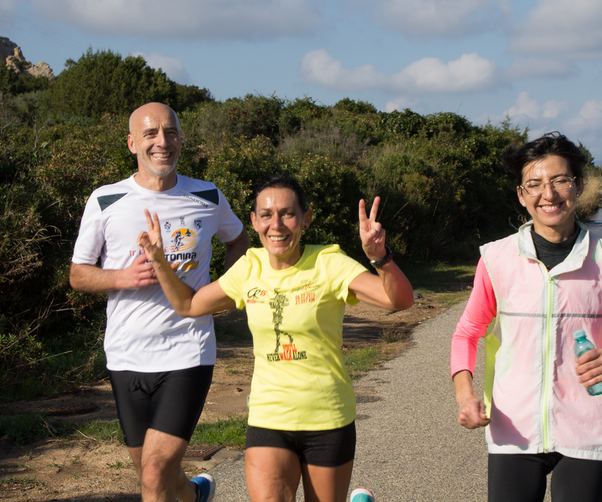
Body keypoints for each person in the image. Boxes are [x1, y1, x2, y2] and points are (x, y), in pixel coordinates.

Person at [137, 173, 414, 502]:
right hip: (269, 415)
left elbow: (398, 300)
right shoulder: (248, 268)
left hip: (327, 416)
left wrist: (379, 257)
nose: (277, 225)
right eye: (267, 215)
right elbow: (188, 304)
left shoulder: (329, 263)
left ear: (305, 218)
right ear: (254, 221)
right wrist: (158, 260)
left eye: (288, 213)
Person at [450, 132, 602, 502]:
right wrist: (465, 396)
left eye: (560, 180)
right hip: (514, 431)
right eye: (535, 184)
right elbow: (467, 333)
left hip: (590, 431)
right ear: (520, 194)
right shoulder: (496, 259)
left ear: (578, 186)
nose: (549, 194)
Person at [70, 102, 251, 502]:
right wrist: (122, 277)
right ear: (133, 143)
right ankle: (196, 495)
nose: (162, 142)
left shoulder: (206, 195)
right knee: (155, 476)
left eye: (170, 132)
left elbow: (238, 239)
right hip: (126, 353)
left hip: (188, 349)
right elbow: (78, 273)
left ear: (181, 140)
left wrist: (227, 288)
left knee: (153, 472)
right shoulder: (105, 200)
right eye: (151, 134)